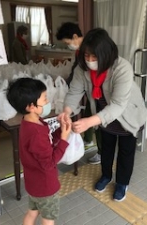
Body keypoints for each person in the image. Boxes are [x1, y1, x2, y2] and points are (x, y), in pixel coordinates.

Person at [60, 28, 147, 202]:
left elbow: (118, 105)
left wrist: (89, 122)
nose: (90, 61)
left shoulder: (122, 68)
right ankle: (106, 175)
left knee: (126, 151)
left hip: (127, 115)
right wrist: (67, 111)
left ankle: (122, 182)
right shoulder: (82, 68)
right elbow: (75, 91)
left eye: (95, 57)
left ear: (106, 54)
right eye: (87, 56)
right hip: (103, 115)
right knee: (105, 148)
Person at [6, 77, 72, 225]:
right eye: (45, 99)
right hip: (46, 187)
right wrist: (64, 140)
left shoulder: (30, 122)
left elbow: (46, 141)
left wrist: (60, 131)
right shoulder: (36, 132)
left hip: (34, 184)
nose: (48, 103)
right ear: (31, 106)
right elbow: (49, 163)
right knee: (48, 219)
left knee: (32, 212)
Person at [56, 22, 102, 164]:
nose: (68, 45)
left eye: (67, 42)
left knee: (98, 121)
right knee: (88, 113)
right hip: (90, 91)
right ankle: (88, 140)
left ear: (75, 36)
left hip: (99, 90)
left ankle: (101, 152)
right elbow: (76, 72)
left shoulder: (91, 49)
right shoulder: (79, 52)